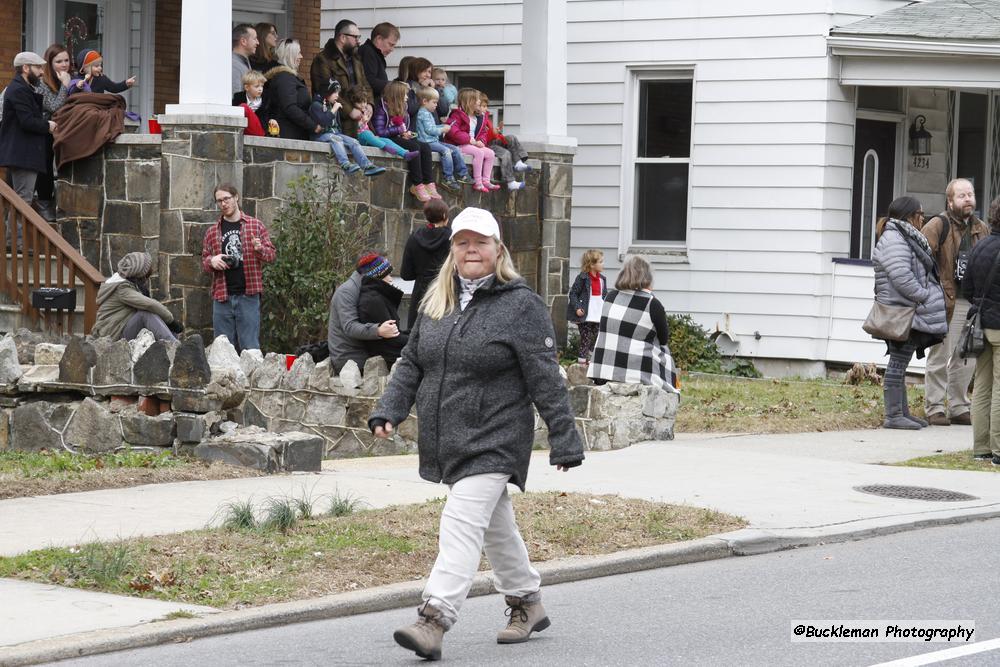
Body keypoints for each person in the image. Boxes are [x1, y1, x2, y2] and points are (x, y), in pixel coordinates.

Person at [368, 207, 584, 660]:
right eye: (463, 242)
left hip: (497, 436)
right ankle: (527, 603)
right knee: (494, 527)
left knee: (461, 521)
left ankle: (434, 618)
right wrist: (389, 408)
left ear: (497, 249)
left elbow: (545, 377)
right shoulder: (436, 300)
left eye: (480, 242)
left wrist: (564, 438)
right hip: (449, 438)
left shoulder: (521, 306)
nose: (471, 250)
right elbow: (412, 362)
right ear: (453, 250)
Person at [871, 196, 947, 430]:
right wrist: (924, 295)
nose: (923, 217)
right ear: (908, 216)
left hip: (905, 309)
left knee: (900, 363)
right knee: (897, 363)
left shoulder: (902, 236)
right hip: (901, 310)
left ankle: (901, 413)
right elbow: (901, 276)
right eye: (920, 213)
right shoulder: (895, 238)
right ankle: (894, 416)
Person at [921, 178, 990, 425]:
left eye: (970, 194)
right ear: (950, 201)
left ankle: (959, 405)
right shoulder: (937, 225)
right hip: (943, 300)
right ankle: (935, 407)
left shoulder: (981, 228)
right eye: (962, 195)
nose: (968, 199)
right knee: (940, 355)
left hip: (971, 301)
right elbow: (919, 260)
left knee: (967, 356)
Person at [201, 183, 275, 352]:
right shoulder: (213, 231)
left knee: (251, 349)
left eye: (226, 199)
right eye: (219, 201)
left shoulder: (255, 225)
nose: (223, 204)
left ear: (236, 197)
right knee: (223, 351)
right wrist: (212, 261)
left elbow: (271, 255)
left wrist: (259, 249)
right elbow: (204, 260)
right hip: (222, 298)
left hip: (248, 296)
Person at [587, 254, 678, 391]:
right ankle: (669, 389)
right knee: (663, 349)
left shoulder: (610, 297)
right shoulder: (652, 304)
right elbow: (664, 339)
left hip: (603, 371)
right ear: (647, 276)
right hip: (637, 373)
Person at [0, 51, 56, 251]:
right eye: (38, 67)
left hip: (20, 153)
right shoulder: (19, 90)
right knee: (23, 200)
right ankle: (16, 245)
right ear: (26, 68)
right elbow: (27, 121)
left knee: (18, 199)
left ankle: (12, 243)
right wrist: (47, 125)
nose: (41, 72)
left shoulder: (22, 88)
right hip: (22, 154)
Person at [962, 196, 1000, 463]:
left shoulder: (980, 245)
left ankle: (981, 448)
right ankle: (999, 450)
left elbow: (968, 289)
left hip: (981, 326)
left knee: (983, 386)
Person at [327, 250, 402, 374]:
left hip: (365, 351)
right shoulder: (347, 292)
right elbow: (350, 327)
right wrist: (378, 330)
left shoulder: (366, 290)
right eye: (386, 275)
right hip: (350, 360)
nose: (390, 280)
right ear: (375, 275)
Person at [92, 252, 182, 342]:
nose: (146, 279)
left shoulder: (126, 284)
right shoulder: (122, 289)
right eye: (146, 275)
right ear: (138, 273)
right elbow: (150, 304)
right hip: (113, 335)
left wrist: (169, 324)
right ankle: (175, 348)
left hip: (120, 328)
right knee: (145, 315)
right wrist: (171, 321)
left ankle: (176, 345)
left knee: (161, 319)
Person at [374, 80, 438, 202]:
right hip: (387, 139)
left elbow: (403, 128)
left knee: (425, 147)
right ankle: (417, 184)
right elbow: (380, 132)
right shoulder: (383, 109)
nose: (407, 97)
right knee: (414, 147)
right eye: (405, 94)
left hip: (398, 137)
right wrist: (398, 129)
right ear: (397, 95)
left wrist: (406, 133)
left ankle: (428, 182)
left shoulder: (403, 108)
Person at [308, 78, 385, 176]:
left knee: (353, 141)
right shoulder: (316, 105)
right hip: (321, 136)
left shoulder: (331, 105)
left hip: (335, 134)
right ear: (327, 92)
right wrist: (334, 110)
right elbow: (324, 122)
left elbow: (338, 125)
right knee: (336, 139)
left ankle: (367, 166)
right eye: (334, 92)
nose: (337, 95)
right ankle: (345, 164)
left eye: (338, 93)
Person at [33, 44, 73, 222]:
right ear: (49, 63)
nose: (64, 64)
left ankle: (54, 203)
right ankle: (44, 204)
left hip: (59, 130)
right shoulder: (42, 83)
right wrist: (66, 86)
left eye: (66, 60)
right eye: (59, 61)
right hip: (41, 131)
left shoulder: (63, 79)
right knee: (45, 168)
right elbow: (54, 106)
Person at [310, 19, 368, 137]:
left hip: (359, 123)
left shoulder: (356, 59)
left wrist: (369, 105)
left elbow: (365, 84)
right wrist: (350, 111)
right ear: (342, 38)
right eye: (355, 37)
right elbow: (325, 91)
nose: (359, 41)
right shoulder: (323, 60)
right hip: (336, 125)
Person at [400, 199, 451, 328]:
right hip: (445, 291)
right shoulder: (452, 239)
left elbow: (406, 274)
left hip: (420, 294)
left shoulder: (414, 237)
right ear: (444, 216)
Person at [356, 253, 409, 368]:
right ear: (378, 276)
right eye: (388, 275)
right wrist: (416, 340)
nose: (391, 279)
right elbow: (393, 339)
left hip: (389, 350)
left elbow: (395, 333)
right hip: (387, 355)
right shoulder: (373, 299)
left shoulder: (377, 295)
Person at [414, 86, 470, 191]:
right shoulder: (423, 113)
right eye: (434, 102)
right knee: (446, 151)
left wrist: (442, 127)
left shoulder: (427, 113)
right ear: (425, 101)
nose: (436, 105)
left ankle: (463, 174)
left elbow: (432, 128)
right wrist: (443, 129)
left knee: (456, 149)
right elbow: (430, 130)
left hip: (433, 141)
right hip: (426, 142)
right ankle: (448, 178)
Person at [445, 88, 498, 193]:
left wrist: (482, 141)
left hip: (472, 144)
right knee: (478, 153)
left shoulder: (478, 117)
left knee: (491, 153)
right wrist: (470, 140)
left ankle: (486, 180)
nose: (479, 101)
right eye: (477, 99)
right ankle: (478, 182)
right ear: (470, 102)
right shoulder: (457, 115)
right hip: (458, 145)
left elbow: (483, 132)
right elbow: (453, 132)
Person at [263, 39, 317, 141]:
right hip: (286, 135)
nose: (301, 56)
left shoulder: (287, 77)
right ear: (289, 56)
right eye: (298, 53)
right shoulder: (285, 78)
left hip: (292, 134)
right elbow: (290, 107)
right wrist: (313, 125)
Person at [347, 85, 417, 160]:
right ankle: (385, 147)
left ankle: (405, 153)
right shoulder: (353, 112)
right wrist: (362, 122)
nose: (363, 105)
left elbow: (367, 128)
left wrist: (373, 136)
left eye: (364, 102)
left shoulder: (364, 111)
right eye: (359, 103)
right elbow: (354, 128)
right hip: (358, 138)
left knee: (386, 140)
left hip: (369, 137)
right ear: (353, 102)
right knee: (366, 134)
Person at [480, 92, 531, 191]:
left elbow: (491, 133)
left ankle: (518, 162)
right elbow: (482, 136)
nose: (485, 108)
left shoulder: (485, 118)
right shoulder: (477, 119)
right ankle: (510, 182)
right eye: (483, 106)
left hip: (492, 141)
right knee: (506, 153)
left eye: (486, 106)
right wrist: (493, 133)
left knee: (511, 138)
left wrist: (498, 133)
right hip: (486, 145)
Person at [567, 249, 607, 365]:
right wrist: (577, 308)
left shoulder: (602, 279)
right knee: (586, 337)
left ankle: (591, 358)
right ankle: (582, 363)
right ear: (592, 264)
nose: (603, 264)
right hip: (586, 313)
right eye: (601, 262)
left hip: (598, 313)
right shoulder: (582, 278)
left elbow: (603, 296)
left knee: (598, 336)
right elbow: (573, 293)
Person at [403, 57, 449, 125]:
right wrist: (421, 90)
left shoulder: (432, 86)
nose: (428, 75)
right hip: (417, 132)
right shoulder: (407, 86)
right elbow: (410, 109)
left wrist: (435, 90)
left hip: (433, 131)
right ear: (415, 71)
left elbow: (444, 111)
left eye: (429, 72)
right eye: (424, 71)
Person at [69, 49, 136, 95]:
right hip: (81, 111)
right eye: (96, 66)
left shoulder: (102, 79)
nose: (100, 68)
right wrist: (77, 87)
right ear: (85, 67)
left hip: (97, 109)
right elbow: (71, 95)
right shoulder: (76, 79)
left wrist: (126, 84)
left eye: (100, 65)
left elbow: (114, 88)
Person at [358, 22, 399, 98]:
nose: (392, 49)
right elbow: (369, 80)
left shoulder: (374, 54)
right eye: (390, 44)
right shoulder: (368, 51)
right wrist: (394, 87)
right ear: (379, 39)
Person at [232, 70, 267, 137]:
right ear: (247, 87)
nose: (260, 89)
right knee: (243, 107)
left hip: (260, 131)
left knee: (244, 107)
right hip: (243, 129)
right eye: (257, 86)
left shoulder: (266, 100)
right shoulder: (238, 98)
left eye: (262, 86)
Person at [231, 23, 259, 96]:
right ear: (243, 41)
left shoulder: (243, 62)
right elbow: (235, 98)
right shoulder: (233, 65)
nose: (258, 43)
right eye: (255, 39)